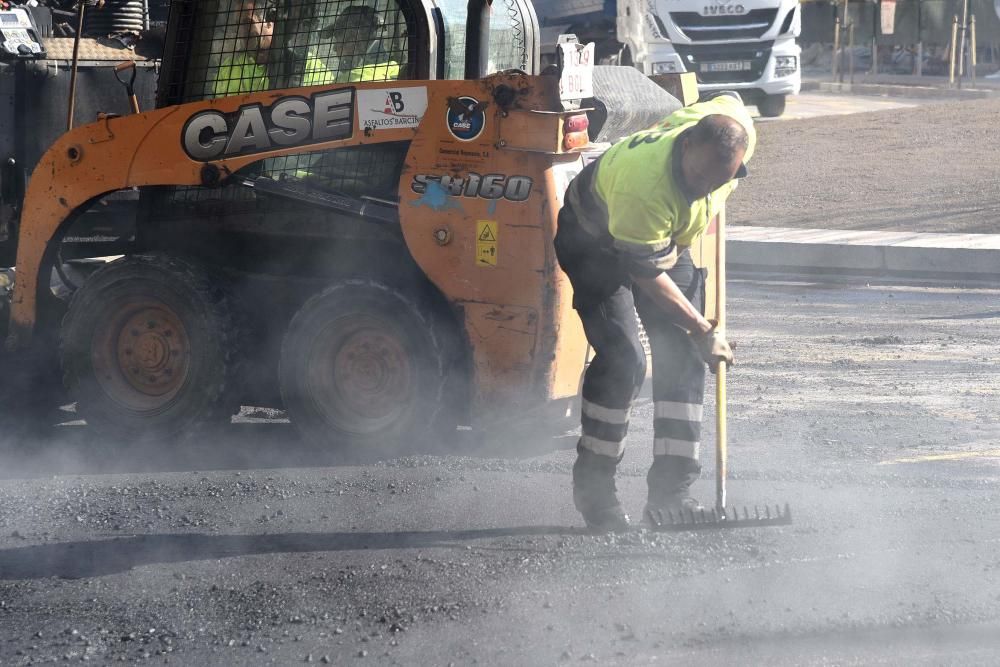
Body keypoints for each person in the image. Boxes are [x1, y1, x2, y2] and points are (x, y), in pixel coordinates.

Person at [554, 92, 755, 532]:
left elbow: (729, 99)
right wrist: (703, 328)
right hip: (594, 239)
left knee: (684, 355)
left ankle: (672, 497)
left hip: (663, 239)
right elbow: (647, 274)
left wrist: (696, 337)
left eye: (717, 181)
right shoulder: (642, 189)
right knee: (626, 358)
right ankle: (595, 491)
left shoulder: (731, 136)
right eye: (699, 176)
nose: (705, 187)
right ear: (685, 146)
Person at [321, 5, 400, 83]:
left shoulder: (347, 82)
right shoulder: (395, 71)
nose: (334, 48)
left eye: (337, 39)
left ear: (353, 40)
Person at [213, 1, 273, 96]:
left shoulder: (286, 64)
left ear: (269, 24)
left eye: (247, 22)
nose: (242, 31)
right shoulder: (228, 67)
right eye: (238, 24)